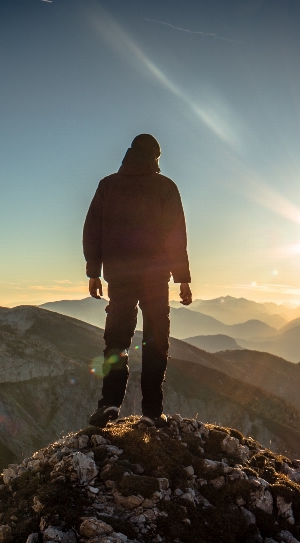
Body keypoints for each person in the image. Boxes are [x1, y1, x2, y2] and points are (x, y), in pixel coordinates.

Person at [83, 133, 192, 428]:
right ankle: (152, 411)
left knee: (116, 338)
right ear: (155, 157)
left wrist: (93, 271)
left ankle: (109, 404)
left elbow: (92, 229)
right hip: (156, 278)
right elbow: (176, 237)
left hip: (119, 276)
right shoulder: (165, 187)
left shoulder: (108, 186)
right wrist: (182, 278)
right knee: (156, 339)